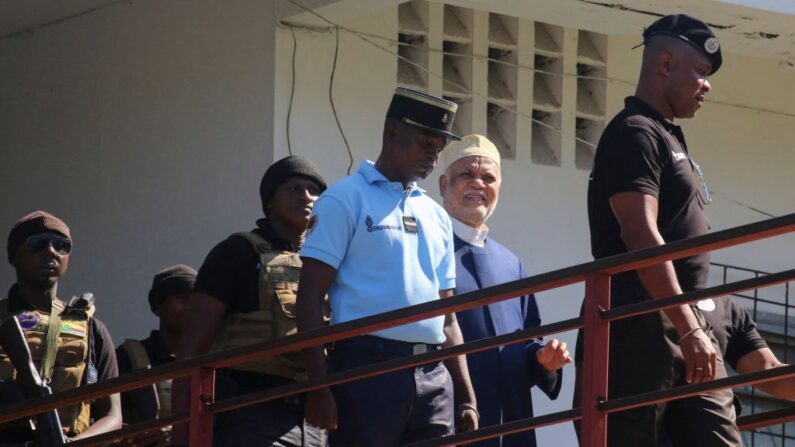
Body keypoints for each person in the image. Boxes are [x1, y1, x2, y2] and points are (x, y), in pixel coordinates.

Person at [576, 13, 742, 446]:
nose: (707, 86)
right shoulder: (635, 132)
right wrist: (687, 326)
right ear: (665, 65)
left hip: (682, 321)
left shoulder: (667, 136)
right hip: (640, 323)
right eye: (701, 72)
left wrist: (689, 326)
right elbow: (639, 234)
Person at [296, 86, 478, 446]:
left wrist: (466, 395)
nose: (432, 154)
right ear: (392, 133)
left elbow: (449, 316)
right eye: (426, 143)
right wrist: (318, 386)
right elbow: (309, 298)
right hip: (367, 367)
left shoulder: (436, 216)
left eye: (438, 148)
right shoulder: (344, 198)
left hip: (432, 372)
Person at [172, 156, 327, 446]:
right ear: (270, 201)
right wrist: (185, 433)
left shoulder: (325, 262)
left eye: (313, 190)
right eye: (294, 188)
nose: (306, 197)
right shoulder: (237, 253)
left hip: (314, 419)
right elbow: (192, 350)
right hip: (250, 414)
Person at [439, 134, 571, 447]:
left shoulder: (512, 264)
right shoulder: (428, 250)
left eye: (488, 178)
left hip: (512, 424)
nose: (478, 184)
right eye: (466, 175)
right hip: (452, 419)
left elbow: (528, 342)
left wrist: (543, 359)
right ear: (443, 184)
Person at [0, 211, 122, 442]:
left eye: (61, 245)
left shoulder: (92, 329)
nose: (51, 251)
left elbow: (112, 415)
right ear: (14, 256)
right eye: (37, 244)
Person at [115, 264, 196, 445]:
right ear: (158, 307)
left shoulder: (212, 356)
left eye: (196, 300)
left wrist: (177, 432)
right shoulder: (130, 356)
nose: (191, 307)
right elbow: (108, 415)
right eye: (182, 299)